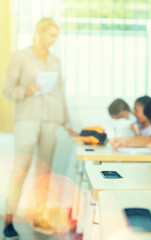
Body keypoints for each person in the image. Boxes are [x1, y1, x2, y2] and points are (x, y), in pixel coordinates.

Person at [2, 17, 77, 238]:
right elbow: (7, 91)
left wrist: (67, 123)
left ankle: (37, 218)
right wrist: (26, 90)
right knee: (20, 170)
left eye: (56, 36)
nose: (54, 40)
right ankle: (8, 220)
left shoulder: (55, 61)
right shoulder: (20, 57)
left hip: (51, 120)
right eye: (52, 35)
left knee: (44, 172)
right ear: (39, 32)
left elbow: (60, 93)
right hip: (28, 118)